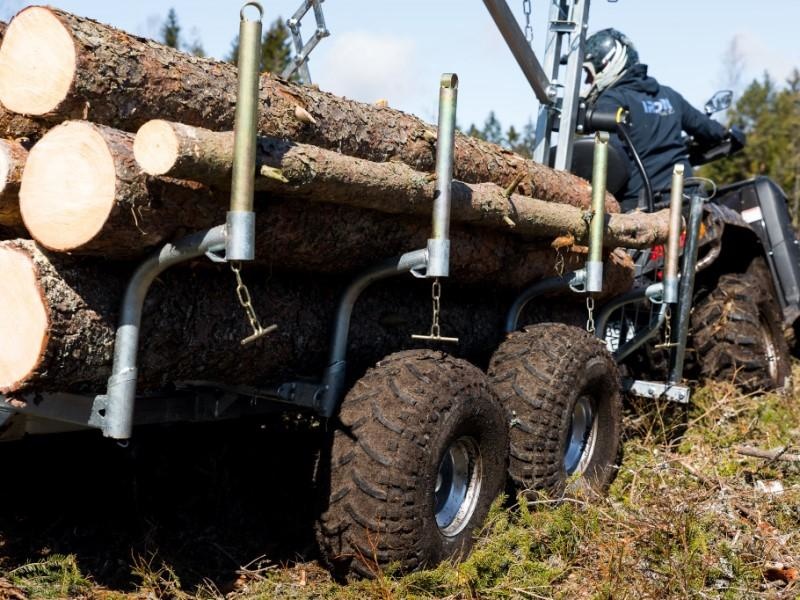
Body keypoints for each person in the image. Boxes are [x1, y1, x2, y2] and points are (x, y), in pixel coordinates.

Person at [582, 28, 739, 211]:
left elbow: (610, 160)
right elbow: (708, 129)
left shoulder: (612, 100)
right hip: (689, 199)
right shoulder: (669, 96)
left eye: (589, 74)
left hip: (642, 208)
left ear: (607, 63)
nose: (587, 82)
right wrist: (730, 133)